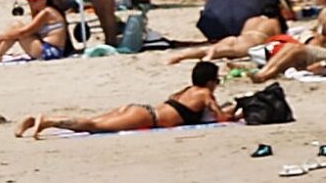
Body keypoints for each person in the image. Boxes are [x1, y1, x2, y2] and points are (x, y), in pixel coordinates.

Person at [15, 61, 241, 138]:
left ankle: (37, 120)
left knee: (92, 121)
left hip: (141, 109)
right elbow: (221, 117)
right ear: (210, 81)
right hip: (146, 117)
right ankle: (47, 121)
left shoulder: (187, 90)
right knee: (94, 127)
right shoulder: (204, 94)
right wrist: (236, 113)